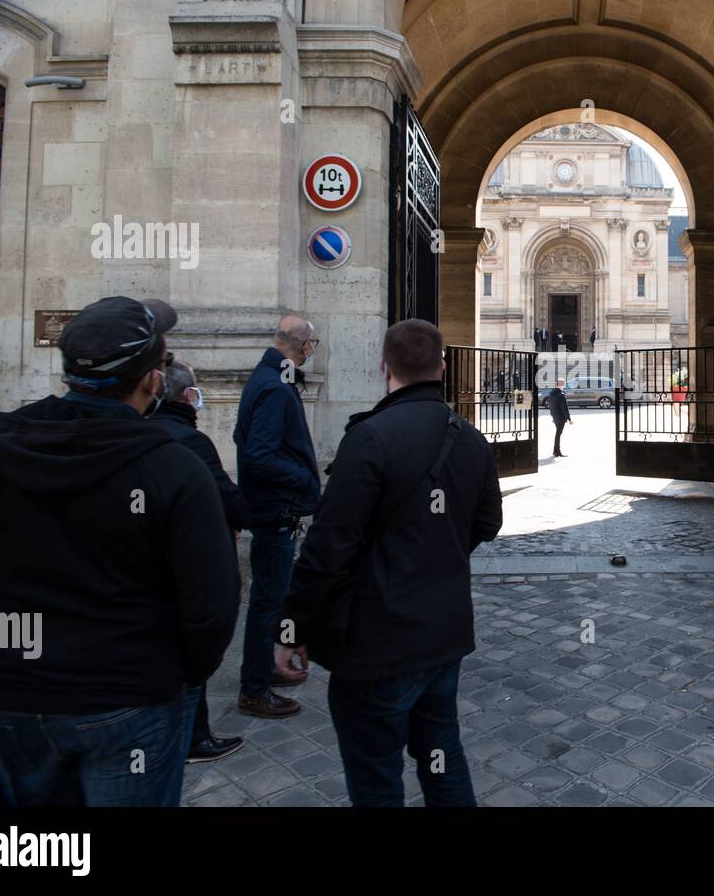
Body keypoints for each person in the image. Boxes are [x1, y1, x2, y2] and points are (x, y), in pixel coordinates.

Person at [0, 296, 239, 806]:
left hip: (19, 692)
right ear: (150, 381)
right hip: (130, 693)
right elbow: (212, 601)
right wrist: (182, 672)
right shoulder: (174, 467)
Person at [274, 318, 502, 806]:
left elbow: (328, 548)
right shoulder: (471, 440)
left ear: (384, 367)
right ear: (442, 367)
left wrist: (290, 629)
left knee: (376, 777)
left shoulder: (370, 439)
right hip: (442, 634)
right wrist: (435, 553)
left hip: (377, 643)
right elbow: (487, 524)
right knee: (443, 758)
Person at [153, 360, 253, 763]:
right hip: (185, 566)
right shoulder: (189, 441)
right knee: (189, 654)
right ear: (186, 394)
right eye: (195, 388)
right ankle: (193, 737)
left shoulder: (145, 430)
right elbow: (226, 498)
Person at [234, 314, 322, 718]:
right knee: (267, 603)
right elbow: (258, 454)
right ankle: (254, 688)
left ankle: (269, 667)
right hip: (274, 511)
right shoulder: (273, 387)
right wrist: (303, 478)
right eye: (313, 345)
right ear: (304, 346)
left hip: (271, 507)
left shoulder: (267, 378)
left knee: (271, 598)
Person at [548, 377, 572, 457]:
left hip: (555, 416)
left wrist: (552, 415)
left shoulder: (551, 393)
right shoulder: (561, 395)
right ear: (562, 385)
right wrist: (569, 419)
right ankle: (557, 451)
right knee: (558, 434)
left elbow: (550, 405)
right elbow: (565, 408)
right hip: (560, 418)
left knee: (558, 434)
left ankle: (556, 451)